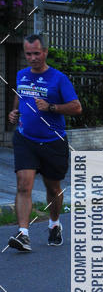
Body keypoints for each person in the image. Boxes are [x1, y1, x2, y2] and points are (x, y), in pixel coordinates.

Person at [7, 34, 82, 251]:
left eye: (36, 53)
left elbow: (77, 107)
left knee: (53, 187)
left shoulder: (59, 78)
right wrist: (14, 112)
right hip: (25, 139)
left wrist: (51, 107)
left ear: (45, 52)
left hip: (53, 141)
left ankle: (54, 224)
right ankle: (23, 234)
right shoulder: (21, 75)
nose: (32, 58)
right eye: (28, 54)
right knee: (23, 184)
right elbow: (20, 96)